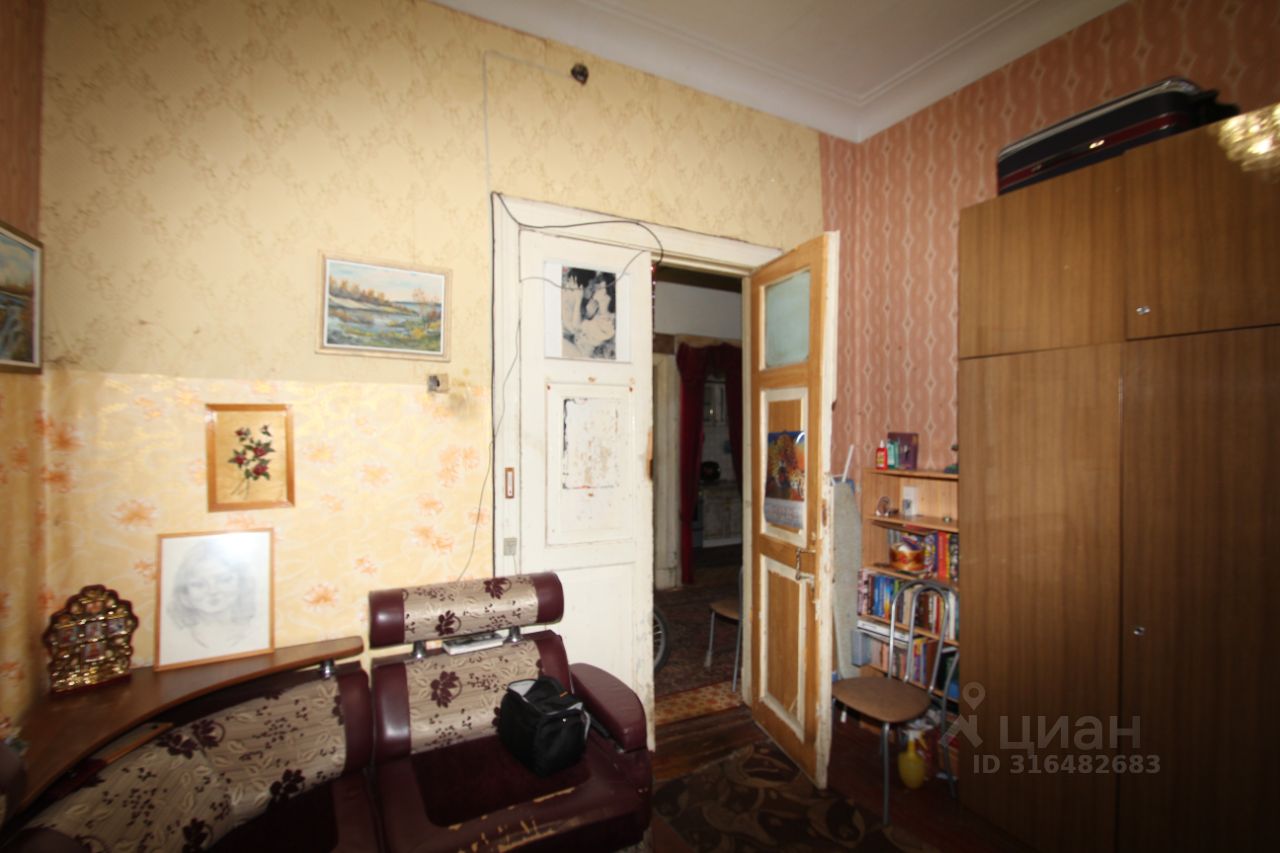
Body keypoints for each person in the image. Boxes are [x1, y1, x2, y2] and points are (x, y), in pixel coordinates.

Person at [167, 540, 259, 652]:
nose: (212, 591)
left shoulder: (256, 631)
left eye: (224, 580)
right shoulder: (177, 639)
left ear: (241, 582)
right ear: (185, 592)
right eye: (199, 584)